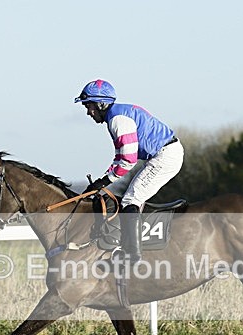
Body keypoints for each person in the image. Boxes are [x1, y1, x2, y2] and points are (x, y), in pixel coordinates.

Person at [74, 79, 183, 263]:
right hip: (164, 153)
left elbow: (128, 160)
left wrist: (105, 182)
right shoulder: (116, 116)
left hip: (165, 156)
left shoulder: (117, 120)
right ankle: (131, 246)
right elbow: (120, 157)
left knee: (131, 199)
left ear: (101, 104)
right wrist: (103, 179)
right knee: (131, 198)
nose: (88, 112)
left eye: (89, 106)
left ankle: (132, 255)